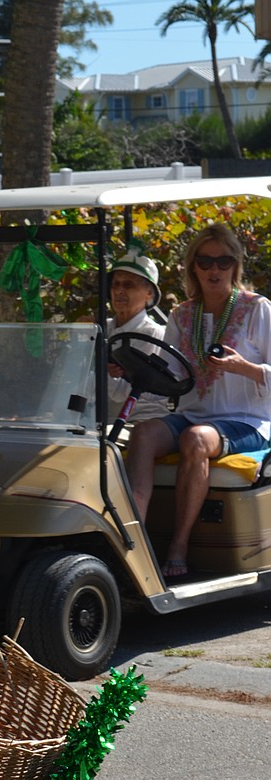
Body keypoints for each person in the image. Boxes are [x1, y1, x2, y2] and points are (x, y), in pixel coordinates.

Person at [125, 222, 271, 580]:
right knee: (141, 434)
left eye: (223, 261)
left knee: (196, 439)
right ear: (194, 267)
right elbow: (172, 375)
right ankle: (131, 541)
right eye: (205, 262)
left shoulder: (258, 309)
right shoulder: (182, 315)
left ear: (235, 266)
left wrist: (245, 368)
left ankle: (178, 544)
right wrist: (128, 369)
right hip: (194, 415)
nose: (214, 269)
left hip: (248, 421)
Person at [105, 242, 170, 423]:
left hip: (140, 421)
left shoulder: (152, 334)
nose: (119, 291)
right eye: (115, 284)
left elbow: (122, 395)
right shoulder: (102, 328)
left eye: (128, 285)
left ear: (149, 293)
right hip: (100, 422)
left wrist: (98, 369)